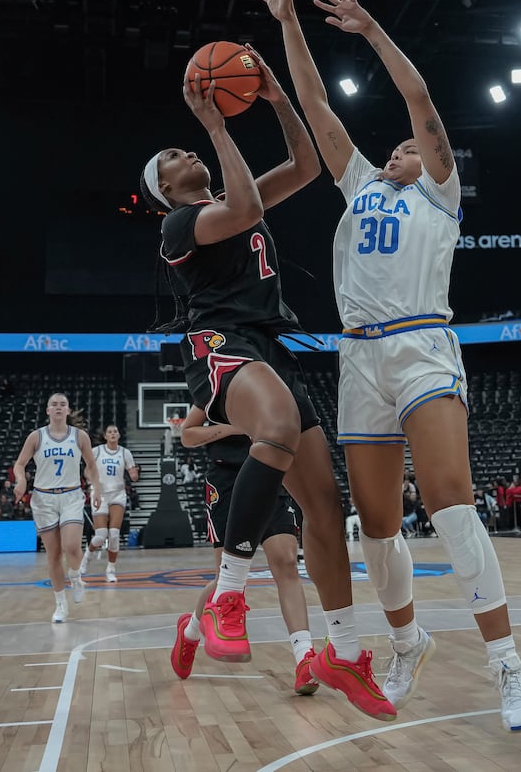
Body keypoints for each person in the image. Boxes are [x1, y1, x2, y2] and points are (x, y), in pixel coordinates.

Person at [264, 0, 521, 729]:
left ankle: (505, 662)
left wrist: (370, 29)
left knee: (451, 503)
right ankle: (408, 640)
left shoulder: (441, 197)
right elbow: (317, 110)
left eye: (410, 150)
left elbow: (420, 103)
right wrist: (288, 22)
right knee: (376, 526)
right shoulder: (362, 186)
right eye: (395, 149)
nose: (399, 151)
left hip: (421, 345)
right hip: (360, 357)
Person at [142, 49, 393, 721]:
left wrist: (276, 96)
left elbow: (307, 167)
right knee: (278, 424)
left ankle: (341, 649)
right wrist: (220, 125)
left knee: (325, 510)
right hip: (221, 346)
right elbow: (248, 203)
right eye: (173, 154)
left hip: (267, 348)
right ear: (167, 187)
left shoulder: (229, 196)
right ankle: (228, 593)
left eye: (185, 145)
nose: (183, 149)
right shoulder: (178, 225)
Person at [171, 405, 319, 694]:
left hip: (271, 473)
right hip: (226, 480)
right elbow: (187, 435)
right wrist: (238, 426)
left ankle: (305, 658)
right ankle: (190, 632)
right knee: (225, 579)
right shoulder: (215, 385)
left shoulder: (275, 384)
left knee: (287, 562)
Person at [11, 393, 106, 622]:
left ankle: (75, 576)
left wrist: (97, 489)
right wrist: (21, 480)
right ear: (47, 410)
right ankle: (60, 605)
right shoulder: (36, 436)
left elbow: (91, 466)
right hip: (44, 499)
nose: (58, 407)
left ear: (68, 410)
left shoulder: (79, 436)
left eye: (62, 404)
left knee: (72, 546)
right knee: (53, 555)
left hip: (71, 495)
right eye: (54, 404)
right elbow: (20, 464)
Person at [87, 422, 139, 584]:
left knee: (114, 534)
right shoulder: (97, 451)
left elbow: (133, 475)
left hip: (117, 494)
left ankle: (111, 569)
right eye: (110, 432)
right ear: (105, 436)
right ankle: (86, 558)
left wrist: (134, 473)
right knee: (101, 536)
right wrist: (91, 480)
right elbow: (87, 470)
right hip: (100, 494)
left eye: (115, 431)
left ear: (119, 435)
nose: (113, 434)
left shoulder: (125, 453)